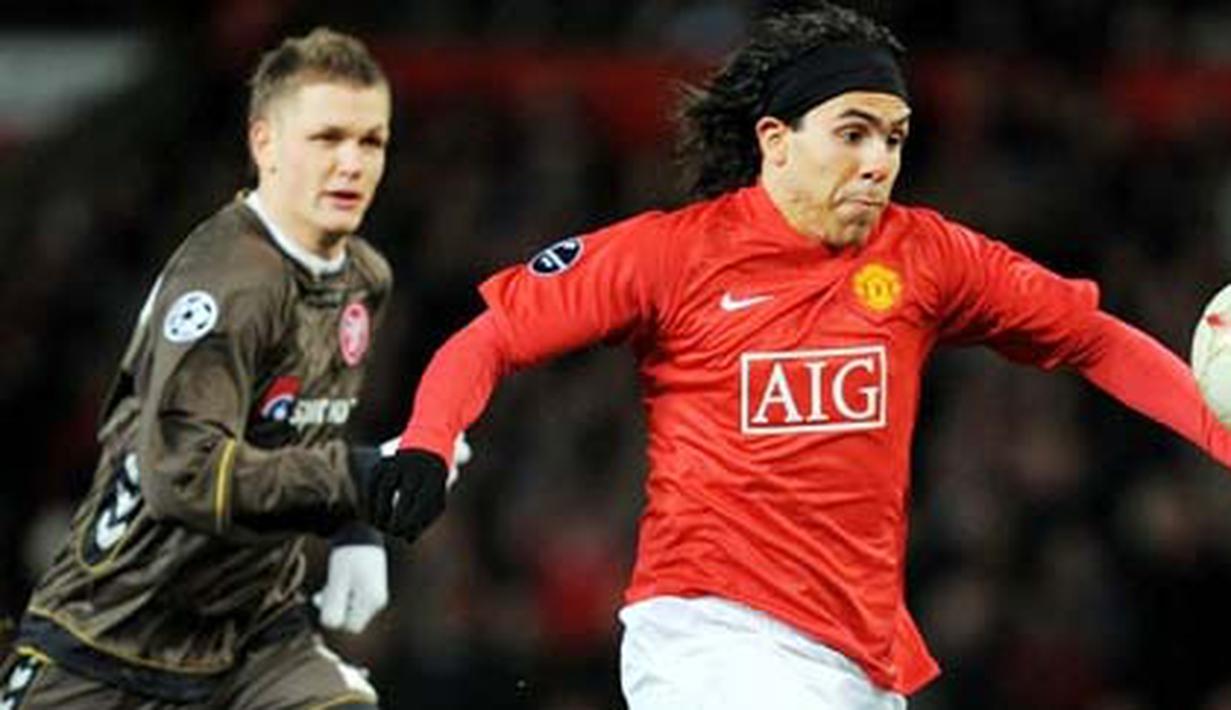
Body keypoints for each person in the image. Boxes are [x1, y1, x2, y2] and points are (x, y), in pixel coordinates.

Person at [366, 2, 1231, 708]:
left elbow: (1092, 337)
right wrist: (428, 442)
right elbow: (490, 336)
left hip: (856, 654)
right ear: (776, 140)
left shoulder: (923, 256)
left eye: (892, 138)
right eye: (852, 133)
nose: (877, 162)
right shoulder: (673, 255)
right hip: (708, 638)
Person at [0, 27, 446, 709]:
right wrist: (355, 478)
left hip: (253, 635)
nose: (351, 164)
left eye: (370, 141)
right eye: (325, 139)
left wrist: (356, 525)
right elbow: (183, 473)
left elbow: (298, 430)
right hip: (117, 630)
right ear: (264, 143)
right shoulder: (229, 282)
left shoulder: (363, 279)